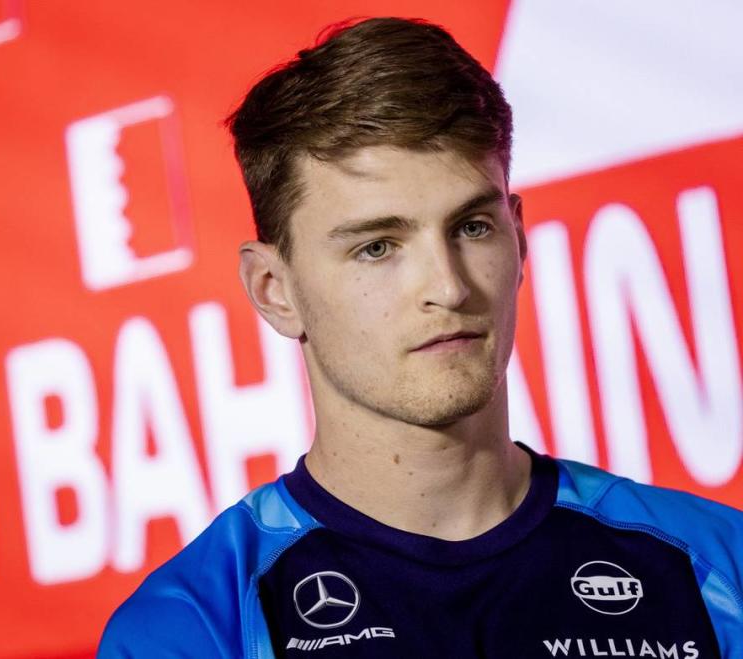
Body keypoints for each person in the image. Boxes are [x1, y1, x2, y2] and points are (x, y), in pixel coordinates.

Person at [97, 16, 743, 658]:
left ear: (518, 238)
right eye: (378, 247)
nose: (448, 286)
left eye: (471, 228)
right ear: (273, 288)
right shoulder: (197, 626)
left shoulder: (717, 567)